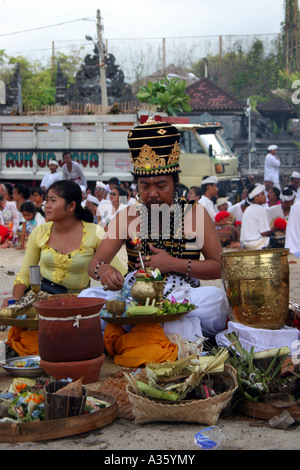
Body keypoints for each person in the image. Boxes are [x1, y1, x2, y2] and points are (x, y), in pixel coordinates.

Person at [78, 118, 229, 367]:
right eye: (144, 186)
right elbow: (94, 262)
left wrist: (173, 264)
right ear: (137, 186)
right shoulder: (127, 215)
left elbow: (219, 266)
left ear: (175, 182)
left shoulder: (195, 213)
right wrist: (102, 270)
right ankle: (157, 333)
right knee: (86, 297)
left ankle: (139, 334)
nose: (153, 193)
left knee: (216, 300)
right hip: (133, 297)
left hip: (182, 298)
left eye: (161, 185)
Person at [2, 180, 126, 307]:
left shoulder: (95, 233)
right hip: (42, 302)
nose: (47, 205)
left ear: (71, 206)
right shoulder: (40, 232)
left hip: (78, 304)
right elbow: (25, 274)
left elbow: (121, 272)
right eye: (47, 200)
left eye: (53, 200)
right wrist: (15, 298)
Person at [240, 184, 278, 249]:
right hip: (255, 243)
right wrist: (275, 228)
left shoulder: (248, 208)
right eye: (262, 194)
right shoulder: (261, 209)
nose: (265, 196)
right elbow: (263, 233)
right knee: (281, 241)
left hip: (245, 244)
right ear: (255, 197)